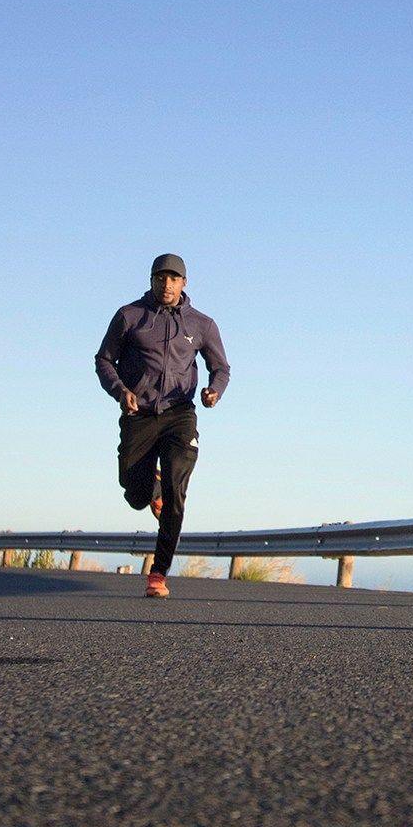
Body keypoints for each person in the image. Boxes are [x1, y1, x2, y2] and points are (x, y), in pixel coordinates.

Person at [95, 254, 230, 597]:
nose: (166, 285)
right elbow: (104, 360)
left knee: (176, 489)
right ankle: (148, 490)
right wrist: (121, 391)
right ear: (151, 280)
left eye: (173, 279)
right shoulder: (129, 316)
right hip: (138, 414)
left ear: (185, 283)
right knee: (135, 494)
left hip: (179, 415)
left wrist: (215, 390)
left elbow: (221, 368)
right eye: (160, 278)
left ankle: (158, 573)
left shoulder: (202, 324)